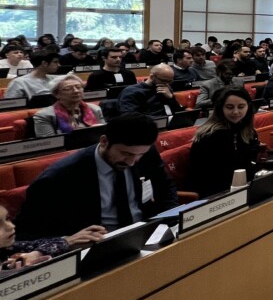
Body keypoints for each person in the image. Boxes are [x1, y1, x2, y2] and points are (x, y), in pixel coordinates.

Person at [16, 114, 178, 239]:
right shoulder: (59, 177)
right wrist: (67, 241)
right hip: (97, 244)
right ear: (104, 141)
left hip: (144, 232)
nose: (132, 162)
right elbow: (29, 231)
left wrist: (171, 220)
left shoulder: (146, 153)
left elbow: (165, 186)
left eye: (139, 155)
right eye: (125, 154)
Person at [188, 87, 261, 198]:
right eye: (229, 107)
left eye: (241, 107)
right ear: (220, 108)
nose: (236, 112)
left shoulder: (246, 131)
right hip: (215, 193)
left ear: (248, 107)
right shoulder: (209, 136)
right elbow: (211, 175)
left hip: (241, 186)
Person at [1, 204, 106, 271]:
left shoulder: (8, 247)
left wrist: (38, 253)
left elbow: (39, 244)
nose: (11, 226)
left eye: (7, 219)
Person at [32, 74, 105, 136]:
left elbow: (104, 135)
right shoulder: (45, 115)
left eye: (78, 87)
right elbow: (50, 145)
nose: (76, 91)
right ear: (56, 94)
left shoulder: (95, 109)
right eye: (68, 88)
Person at [118, 64, 183, 118]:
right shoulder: (131, 92)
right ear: (152, 77)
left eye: (170, 81)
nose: (167, 84)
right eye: (164, 80)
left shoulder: (166, 88)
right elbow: (129, 116)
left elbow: (178, 110)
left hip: (169, 120)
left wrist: (171, 98)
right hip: (147, 124)